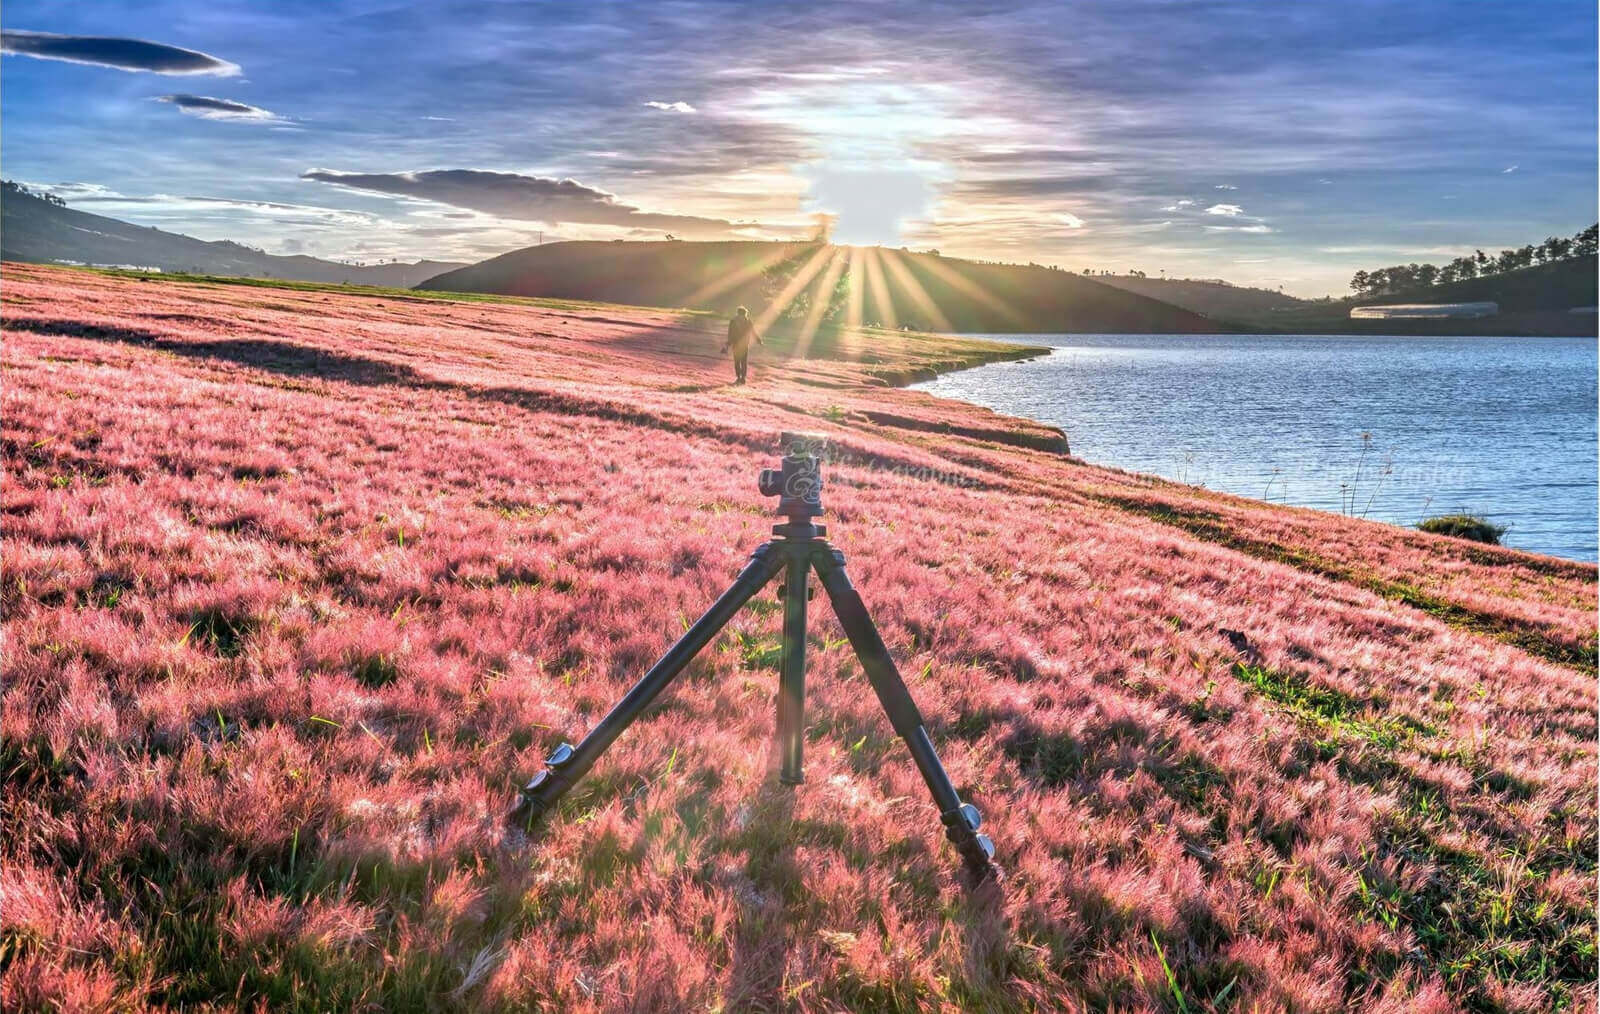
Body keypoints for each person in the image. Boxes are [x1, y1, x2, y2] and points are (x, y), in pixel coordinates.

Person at [722, 306, 762, 384]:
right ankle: (743, 378)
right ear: (745, 313)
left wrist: (728, 343)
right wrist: (758, 340)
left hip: (736, 344)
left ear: (737, 312)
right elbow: (753, 332)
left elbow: (730, 333)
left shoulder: (733, 321)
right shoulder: (748, 321)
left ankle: (738, 377)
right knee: (744, 361)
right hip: (745, 344)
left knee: (737, 361)